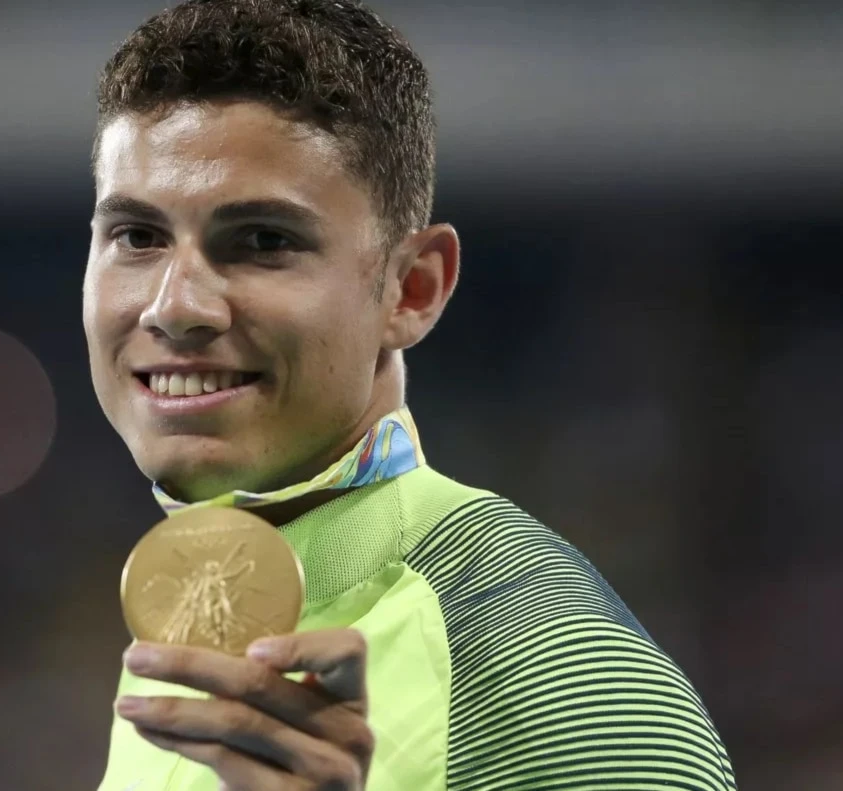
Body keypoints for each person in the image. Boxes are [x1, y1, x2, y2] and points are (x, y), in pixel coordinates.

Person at [82, 1, 736, 789]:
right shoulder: (193, 618)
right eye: (137, 236)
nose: (174, 305)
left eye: (262, 241)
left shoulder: (555, 670)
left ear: (411, 288)